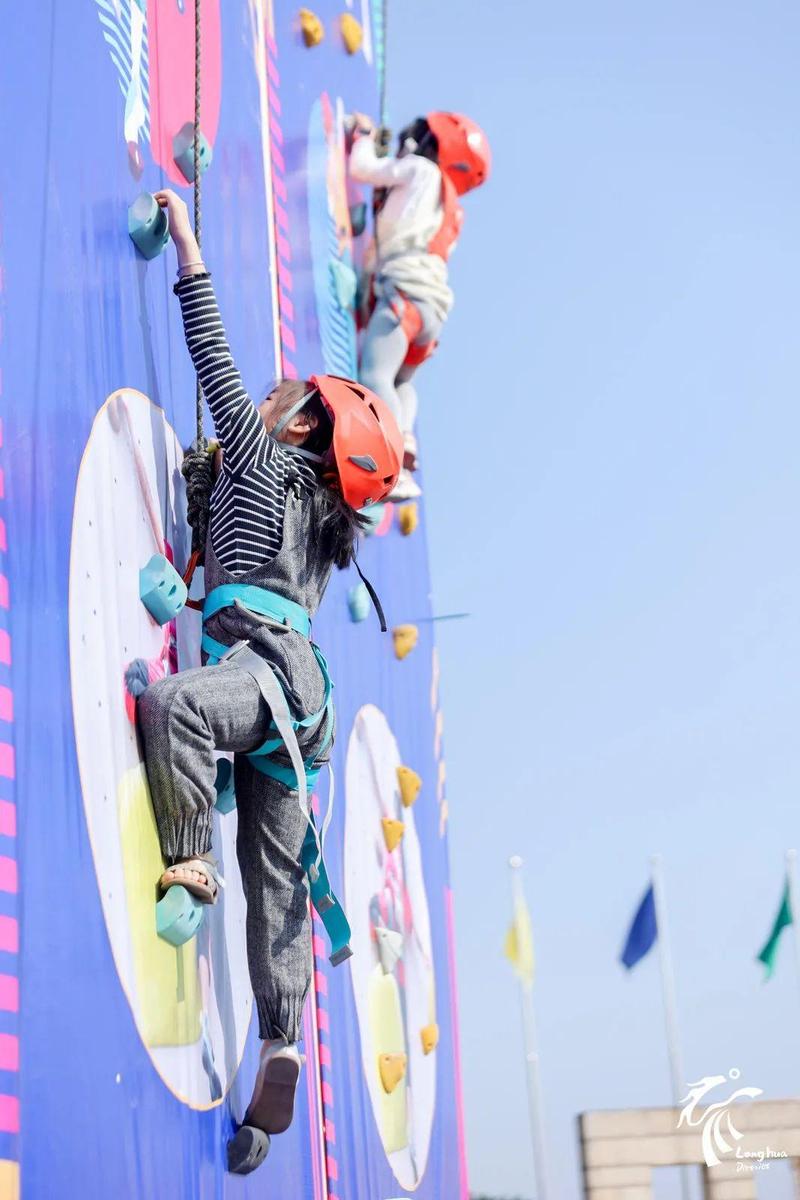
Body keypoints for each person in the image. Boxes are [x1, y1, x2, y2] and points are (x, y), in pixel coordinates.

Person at [137, 189, 402, 1173]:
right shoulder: (316, 524)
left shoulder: (262, 461)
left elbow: (210, 349)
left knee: (174, 708)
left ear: (295, 431)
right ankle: (281, 1039)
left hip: (263, 676)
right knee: (278, 881)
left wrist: (188, 243)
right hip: (301, 705)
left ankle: (185, 863)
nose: (265, 395)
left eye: (281, 394)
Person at [349, 111, 491, 499]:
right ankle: (406, 436)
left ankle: (393, 462)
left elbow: (362, 169)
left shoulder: (418, 170)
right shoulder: (452, 209)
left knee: (375, 375)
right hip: (432, 311)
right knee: (402, 382)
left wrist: (362, 136)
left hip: (404, 294)